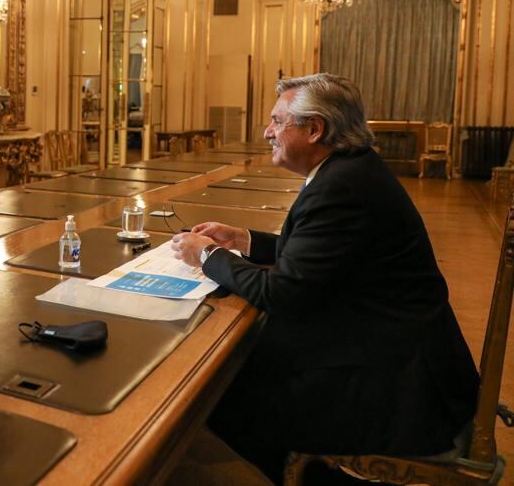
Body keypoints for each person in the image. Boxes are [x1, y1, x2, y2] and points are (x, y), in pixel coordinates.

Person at [170, 73, 479, 482]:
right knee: (243, 364)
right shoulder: (349, 171)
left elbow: (282, 293)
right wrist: (245, 240)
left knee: (221, 390)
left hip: (399, 383)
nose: (267, 132)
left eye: (278, 121)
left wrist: (206, 254)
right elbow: (319, 254)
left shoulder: (341, 187)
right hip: (391, 344)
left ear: (315, 129)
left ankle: (310, 475)